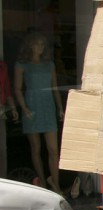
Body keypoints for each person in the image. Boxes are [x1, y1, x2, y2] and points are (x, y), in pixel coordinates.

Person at [14, 32, 63, 194]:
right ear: (30, 45)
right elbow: (17, 89)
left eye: (42, 44)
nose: (40, 48)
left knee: (53, 149)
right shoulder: (22, 65)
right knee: (35, 148)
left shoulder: (49, 64)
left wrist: (60, 108)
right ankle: (42, 182)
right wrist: (24, 108)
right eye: (37, 44)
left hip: (48, 106)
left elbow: (55, 88)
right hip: (32, 107)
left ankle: (55, 184)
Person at [0, 58, 19, 179]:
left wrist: (13, 108)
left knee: (2, 149)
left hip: (1, 112)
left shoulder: (2, 67)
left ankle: (2, 181)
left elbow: (7, 91)